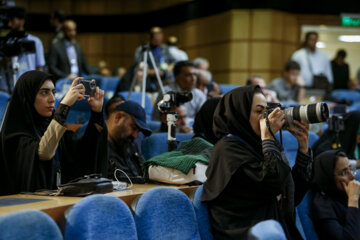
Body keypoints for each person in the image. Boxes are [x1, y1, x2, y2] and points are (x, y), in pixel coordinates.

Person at [201, 85, 313, 239]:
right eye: (259, 111)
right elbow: (271, 182)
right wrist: (268, 138)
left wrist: (303, 149)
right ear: (239, 114)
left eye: (266, 111)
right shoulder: (228, 149)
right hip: (244, 233)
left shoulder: (260, 146)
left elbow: (292, 196)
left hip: (272, 227)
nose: (266, 117)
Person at [0, 71, 108, 195]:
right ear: (28, 96)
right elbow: (44, 152)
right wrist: (64, 106)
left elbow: (84, 153)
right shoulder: (14, 137)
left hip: (56, 204)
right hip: (25, 209)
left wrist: (97, 113)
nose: (52, 99)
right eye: (44, 92)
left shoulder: (50, 126)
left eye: (54, 92)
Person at [310, 150, 360, 240]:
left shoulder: (347, 194)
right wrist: (353, 200)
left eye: (350, 169)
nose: (352, 176)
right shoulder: (322, 207)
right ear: (328, 177)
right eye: (344, 172)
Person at [0, 7, 45, 92]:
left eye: (12, 20)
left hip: (27, 87)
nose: (9, 24)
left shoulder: (35, 41)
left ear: (22, 21)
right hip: (7, 88)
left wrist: (38, 87)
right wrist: (6, 60)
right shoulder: (5, 41)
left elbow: (39, 67)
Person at [106, 101, 152, 181]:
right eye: (134, 128)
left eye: (138, 131)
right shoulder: (94, 146)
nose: (135, 136)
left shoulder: (131, 146)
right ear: (118, 117)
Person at [133, 26, 175, 91]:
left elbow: (173, 62)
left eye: (159, 36)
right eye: (155, 37)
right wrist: (152, 72)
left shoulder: (165, 48)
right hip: (150, 81)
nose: (157, 38)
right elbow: (137, 67)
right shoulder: (142, 49)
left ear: (162, 36)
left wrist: (170, 67)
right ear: (150, 37)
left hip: (166, 79)